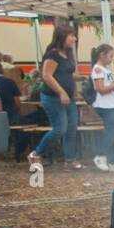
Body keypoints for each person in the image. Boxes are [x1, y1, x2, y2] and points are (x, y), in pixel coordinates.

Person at [30, 22, 84, 169]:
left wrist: (80, 79)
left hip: (68, 98)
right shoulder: (52, 54)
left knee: (71, 128)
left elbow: (66, 74)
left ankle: (70, 159)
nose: (74, 39)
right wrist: (62, 93)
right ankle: (36, 153)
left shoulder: (66, 54)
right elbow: (47, 76)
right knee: (60, 129)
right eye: (72, 36)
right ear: (62, 36)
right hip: (53, 98)